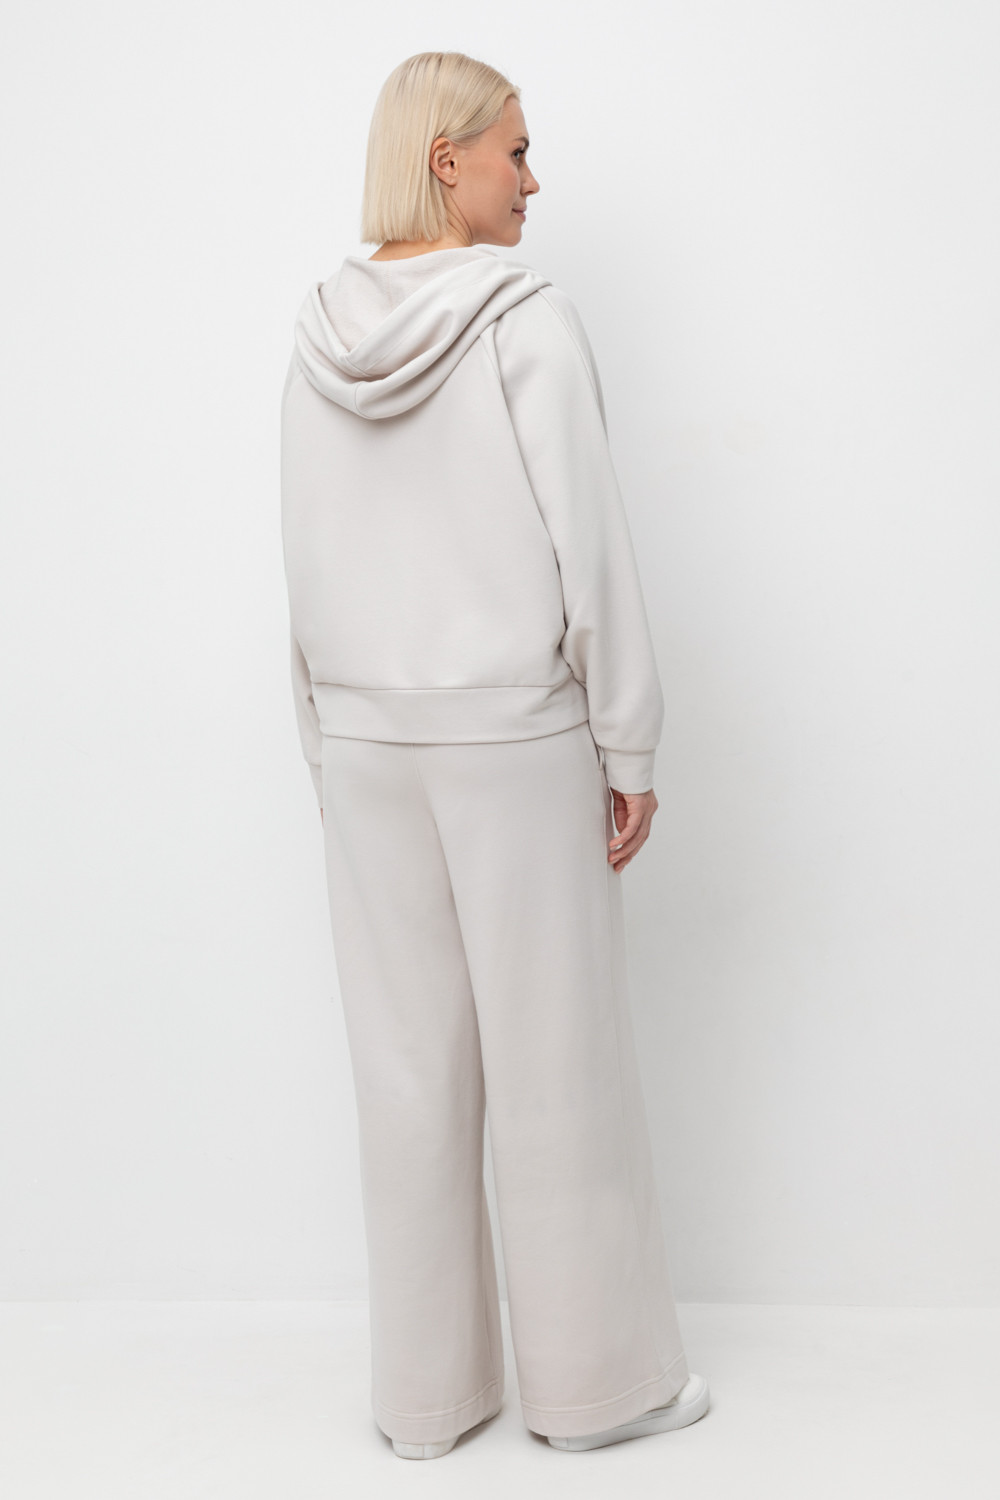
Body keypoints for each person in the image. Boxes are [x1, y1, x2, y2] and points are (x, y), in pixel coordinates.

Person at [280, 50, 710, 1459]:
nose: (534, 179)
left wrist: (326, 739)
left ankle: (425, 1404)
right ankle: (598, 1395)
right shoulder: (528, 321)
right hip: (512, 742)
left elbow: (304, 556)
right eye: (515, 151)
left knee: (405, 1071)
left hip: (367, 747)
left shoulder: (314, 334)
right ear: (446, 159)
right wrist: (628, 739)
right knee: (556, 1062)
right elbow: (592, 549)